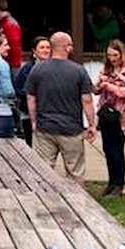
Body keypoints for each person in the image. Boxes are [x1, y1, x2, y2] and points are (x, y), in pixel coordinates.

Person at [25, 32, 96, 182]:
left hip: (45, 127)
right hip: (71, 129)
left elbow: (31, 98)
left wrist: (34, 121)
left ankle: (44, 196)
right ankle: (76, 196)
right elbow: (87, 100)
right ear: (67, 47)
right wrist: (92, 124)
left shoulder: (37, 69)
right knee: (75, 171)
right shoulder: (79, 71)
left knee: (43, 171)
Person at [96, 40, 125, 197]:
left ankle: (119, 184)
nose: (112, 59)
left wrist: (110, 86)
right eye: (109, 55)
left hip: (120, 114)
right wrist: (99, 84)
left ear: (122, 54)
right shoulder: (106, 69)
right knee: (107, 148)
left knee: (117, 149)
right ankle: (111, 182)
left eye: (115, 55)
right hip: (106, 113)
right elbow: (96, 90)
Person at [13, 36, 51, 146]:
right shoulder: (27, 69)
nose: (45, 50)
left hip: (49, 115)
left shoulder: (55, 68)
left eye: (48, 47)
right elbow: (19, 89)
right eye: (42, 47)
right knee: (31, 145)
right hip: (29, 114)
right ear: (34, 51)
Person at [0, 0, 23, 69]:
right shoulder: (4, 23)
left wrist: (12, 65)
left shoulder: (9, 24)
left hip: (11, 65)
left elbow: (14, 48)